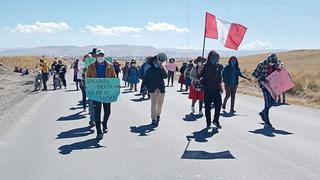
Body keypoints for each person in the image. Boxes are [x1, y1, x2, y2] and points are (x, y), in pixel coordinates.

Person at [86, 48, 116, 140]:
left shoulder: (109, 66)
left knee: (107, 111)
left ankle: (105, 123)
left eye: (102, 55)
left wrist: (114, 86)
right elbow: (88, 78)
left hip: (106, 93)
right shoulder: (91, 66)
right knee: (97, 113)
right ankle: (99, 132)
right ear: (96, 56)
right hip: (96, 93)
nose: (100, 57)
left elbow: (114, 77)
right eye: (99, 55)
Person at [252, 53, 282, 127]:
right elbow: (254, 74)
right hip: (264, 86)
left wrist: (279, 67)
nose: (272, 64)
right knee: (267, 103)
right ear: (268, 60)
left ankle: (263, 113)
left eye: (273, 63)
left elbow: (280, 63)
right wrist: (262, 79)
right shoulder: (261, 64)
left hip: (273, 85)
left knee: (273, 101)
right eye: (271, 63)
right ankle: (267, 121)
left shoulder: (276, 63)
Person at [200, 50, 223, 129]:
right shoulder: (205, 66)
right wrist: (200, 69)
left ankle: (215, 120)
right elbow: (199, 76)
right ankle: (208, 122)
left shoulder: (219, 66)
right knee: (207, 107)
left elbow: (220, 78)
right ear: (210, 57)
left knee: (219, 105)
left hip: (216, 89)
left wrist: (220, 86)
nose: (215, 58)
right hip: (207, 89)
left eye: (217, 57)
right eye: (214, 57)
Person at [143, 54, 168, 125]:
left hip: (161, 89)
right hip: (152, 89)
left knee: (160, 104)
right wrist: (145, 87)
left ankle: (158, 115)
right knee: (153, 104)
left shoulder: (161, 68)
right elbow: (145, 79)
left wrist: (162, 67)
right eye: (156, 61)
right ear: (153, 62)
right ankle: (153, 118)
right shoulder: (149, 70)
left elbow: (165, 76)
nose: (157, 62)